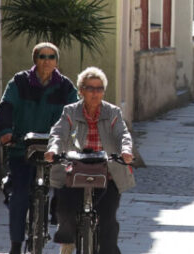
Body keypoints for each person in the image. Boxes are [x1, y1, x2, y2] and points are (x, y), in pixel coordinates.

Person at [0, 42, 79, 254]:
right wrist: (6, 131)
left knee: (65, 186)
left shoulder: (65, 86)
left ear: (56, 61)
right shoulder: (19, 82)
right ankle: (16, 245)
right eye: (42, 56)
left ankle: (53, 211)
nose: (47, 60)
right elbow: (6, 105)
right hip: (23, 150)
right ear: (35, 59)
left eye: (51, 57)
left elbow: (75, 113)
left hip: (54, 151)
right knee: (19, 195)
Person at [47, 67, 135, 254]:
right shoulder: (70, 111)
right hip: (75, 173)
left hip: (106, 174)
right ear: (81, 91)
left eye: (99, 88)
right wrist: (54, 149)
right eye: (90, 88)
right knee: (66, 209)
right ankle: (68, 240)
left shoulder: (113, 112)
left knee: (108, 221)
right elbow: (58, 132)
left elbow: (122, 134)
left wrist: (126, 151)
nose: (95, 93)